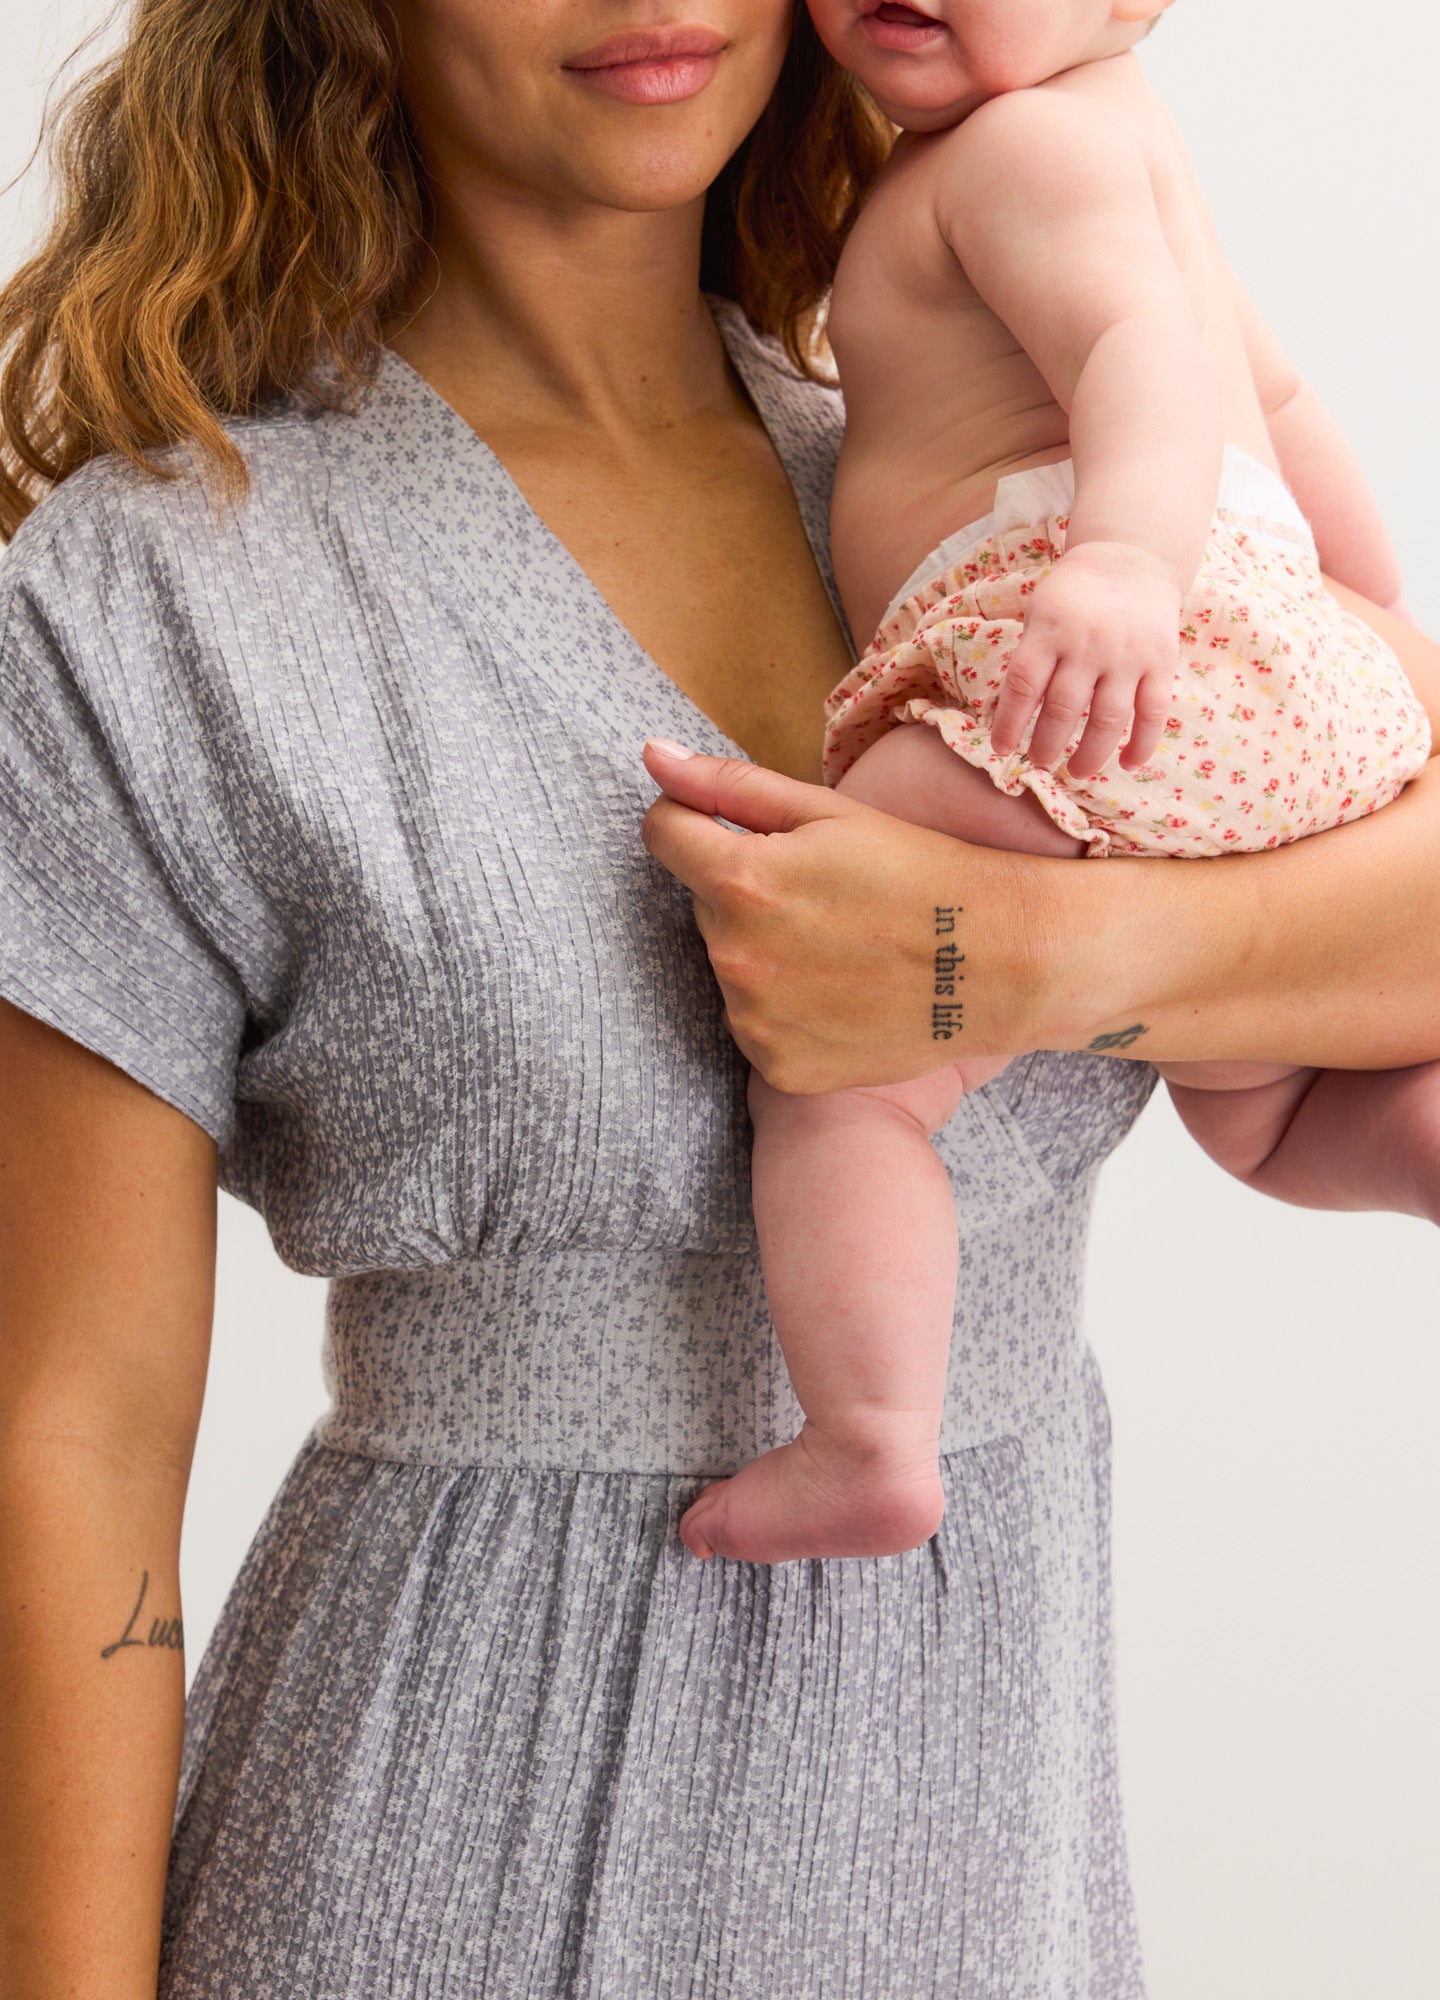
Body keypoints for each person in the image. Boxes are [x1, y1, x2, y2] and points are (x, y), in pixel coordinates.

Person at [1, 6, 1438, 1999]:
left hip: (987, 1866)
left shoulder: (977, 492)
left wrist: (1020, 967)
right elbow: (67, 1444)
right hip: (436, 1860)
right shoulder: (154, 602)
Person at [673, 0, 1440, 1569]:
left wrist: (1124, 570)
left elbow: (1135, 355)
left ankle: (871, 1436)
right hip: (1284, 673)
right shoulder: (1128, 140)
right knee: (1265, 1114)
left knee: (850, 1065)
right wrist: (1371, 652)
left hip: (1091, 660)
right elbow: (1276, 409)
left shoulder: (1011, 152)